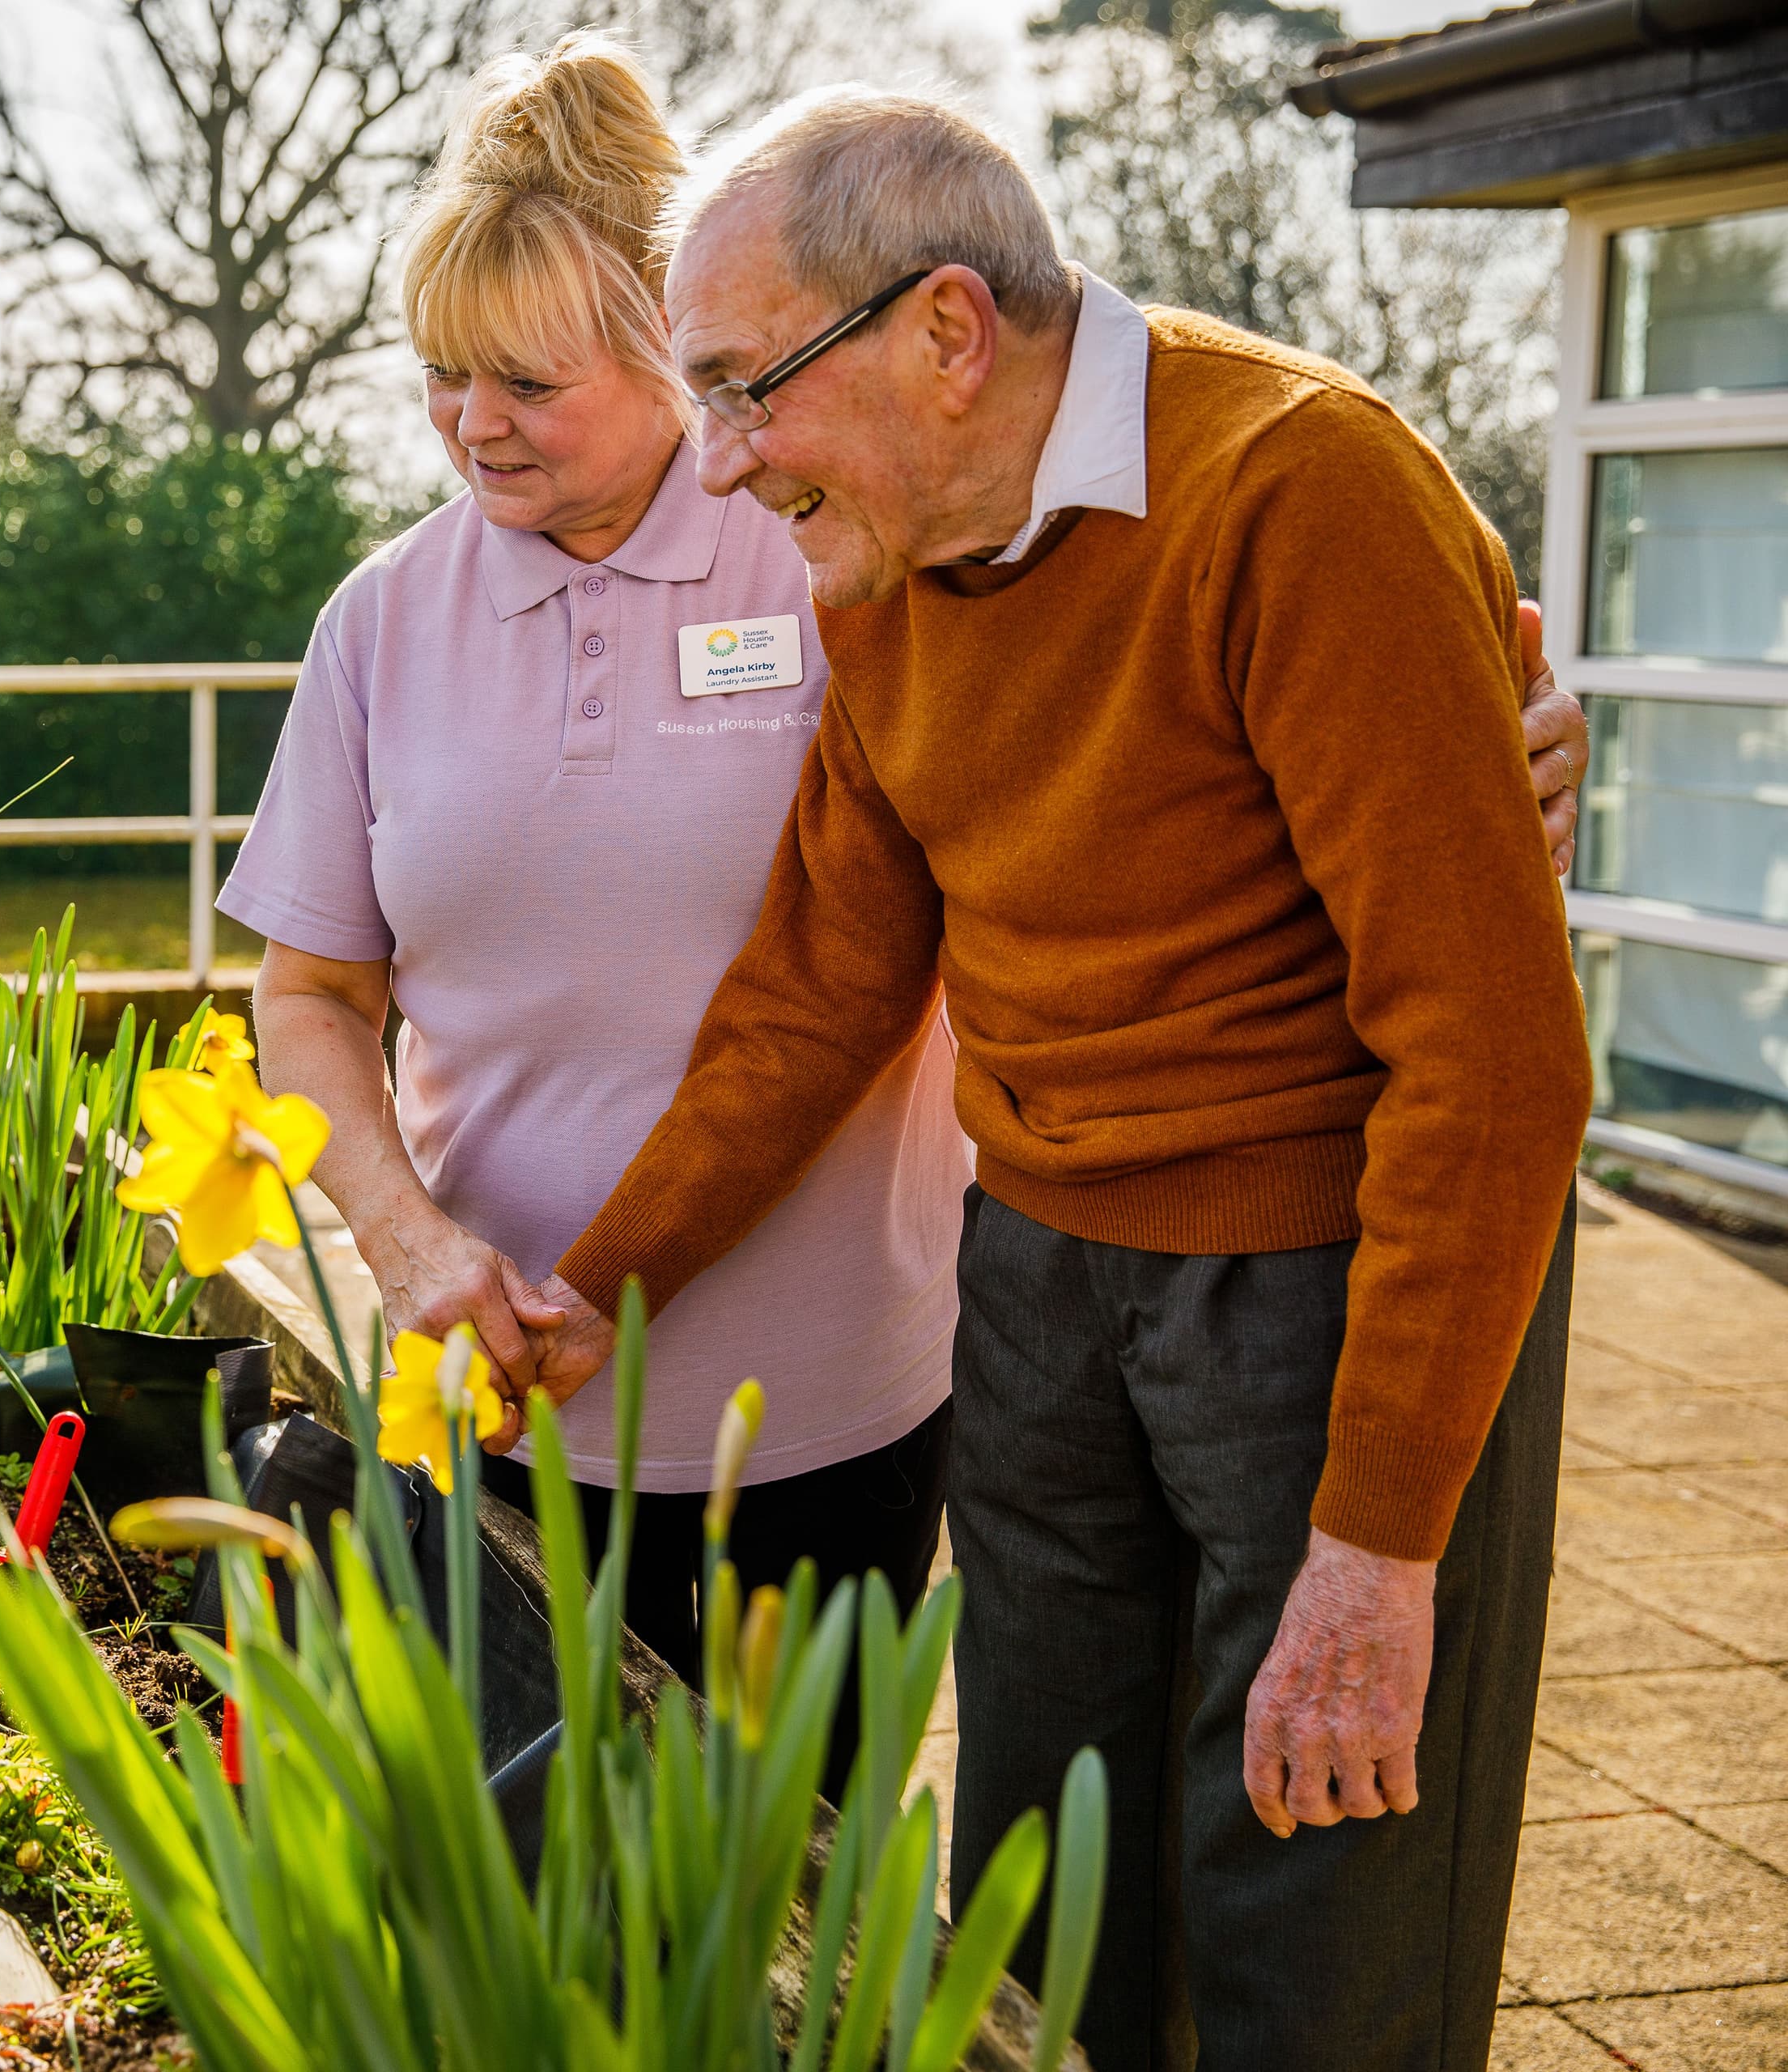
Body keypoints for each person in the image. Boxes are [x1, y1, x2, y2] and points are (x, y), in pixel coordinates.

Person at [223, 39, 1589, 1742]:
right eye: (442, 375)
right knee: (568, 1860)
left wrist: (1478, 737)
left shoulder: (857, 527)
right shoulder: (407, 614)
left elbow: (1135, 599)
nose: (471, 425)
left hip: (881, 1371)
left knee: (845, 1880)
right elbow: (338, 991)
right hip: (546, 1371)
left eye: (528, 380)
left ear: (675, 358)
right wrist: (468, 1256)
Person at [512, 90, 1591, 2072]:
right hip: (1045, 1281)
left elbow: (1499, 1054)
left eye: (748, 391)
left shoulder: (1297, 487)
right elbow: (821, 983)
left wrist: (1383, 1536)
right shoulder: (890, 561)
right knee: (1044, 1894)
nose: (724, 463)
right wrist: (603, 1278)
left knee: (1321, 1914)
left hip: (1329, 1281)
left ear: (945, 332)